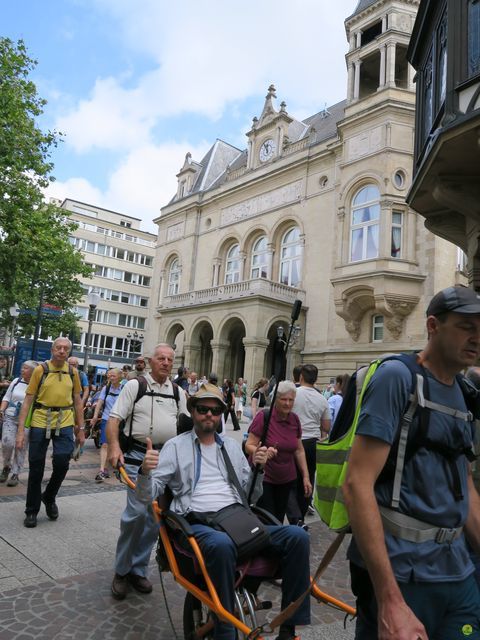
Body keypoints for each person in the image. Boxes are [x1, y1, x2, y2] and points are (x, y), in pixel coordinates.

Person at [343, 285, 480, 640]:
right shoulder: (397, 378)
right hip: (405, 574)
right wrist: (389, 600)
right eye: (467, 326)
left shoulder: (464, 392)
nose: (477, 338)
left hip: (458, 572)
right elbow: (357, 484)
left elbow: (465, 489)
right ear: (433, 326)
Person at [138, 382, 311, 640]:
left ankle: (289, 628)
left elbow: (250, 496)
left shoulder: (230, 447)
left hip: (236, 518)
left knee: (298, 537)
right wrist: (144, 473)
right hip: (198, 522)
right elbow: (147, 497)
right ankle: (225, 631)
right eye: (203, 409)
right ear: (193, 411)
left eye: (215, 410)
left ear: (221, 414)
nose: (209, 415)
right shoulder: (175, 447)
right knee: (221, 544)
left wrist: (258, 470)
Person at [107, 343, 188, 600]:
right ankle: (121, 571)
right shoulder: (135, 386)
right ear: (151, 361)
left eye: (170, 359)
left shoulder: (178, 392)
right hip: (136, 457)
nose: (165, 362)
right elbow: (114, 419)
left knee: (154, 518)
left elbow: (186, 425)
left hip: (166, 460)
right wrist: (114, 447)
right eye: (161, 358)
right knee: (135, 515)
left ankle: (138, 569)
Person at [16, 338, 85, 528]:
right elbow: (28, 400)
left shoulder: (73, 372)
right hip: (40, 419)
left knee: (63, 462)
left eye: (66, 349)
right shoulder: (41, 370)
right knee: (36, 466)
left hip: (64, 420)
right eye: (58, 348)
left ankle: (49, 496)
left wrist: (81, 429)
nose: (62, 351)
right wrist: (21, 431)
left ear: (69, 352)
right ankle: (31, 510)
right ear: (52, 349)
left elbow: (78, 401)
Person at [245, 381, 312, 523]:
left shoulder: (294, 420)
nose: (287, 403)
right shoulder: (264, 417)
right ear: (276, 399)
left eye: (291, 400)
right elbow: (249, 445)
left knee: (279, 518)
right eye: (283, 399)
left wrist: (306, 476)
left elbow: (299, 450)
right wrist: (261, 451)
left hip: (287, 479)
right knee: (268, 519)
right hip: (265, 479)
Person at [290, 364, 331, 524]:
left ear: (300, 377)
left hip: (294, 441)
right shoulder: (322, 398)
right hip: (312, 443)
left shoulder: (294, 394)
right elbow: (327, 427)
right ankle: (300, 515)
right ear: (316, 378)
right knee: (307, 481)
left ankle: (294, 517)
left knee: (291, 480)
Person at [0, 360, 38, 486]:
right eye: (22, 367)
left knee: (20, 446)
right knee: (7, 443)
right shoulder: (16, 381)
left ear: (33, 372)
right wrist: (1, 410)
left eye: (26, 368)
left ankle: (16, 473)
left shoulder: (37, 385)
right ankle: (6, 466)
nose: (22, 370)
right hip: (10, 416)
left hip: (26, 420)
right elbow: (6, 397)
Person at [90, 368, 123, 482]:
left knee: (115, 444)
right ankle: (102, 470)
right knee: (104, 444)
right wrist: (95, 417)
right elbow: (100, 403)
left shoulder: (124, 389)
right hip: (106, 419)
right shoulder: (106, 388)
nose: (110, 378)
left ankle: (114, 466)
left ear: (119, 377)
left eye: (113, 376)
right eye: (109, 376)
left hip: (119, 421)